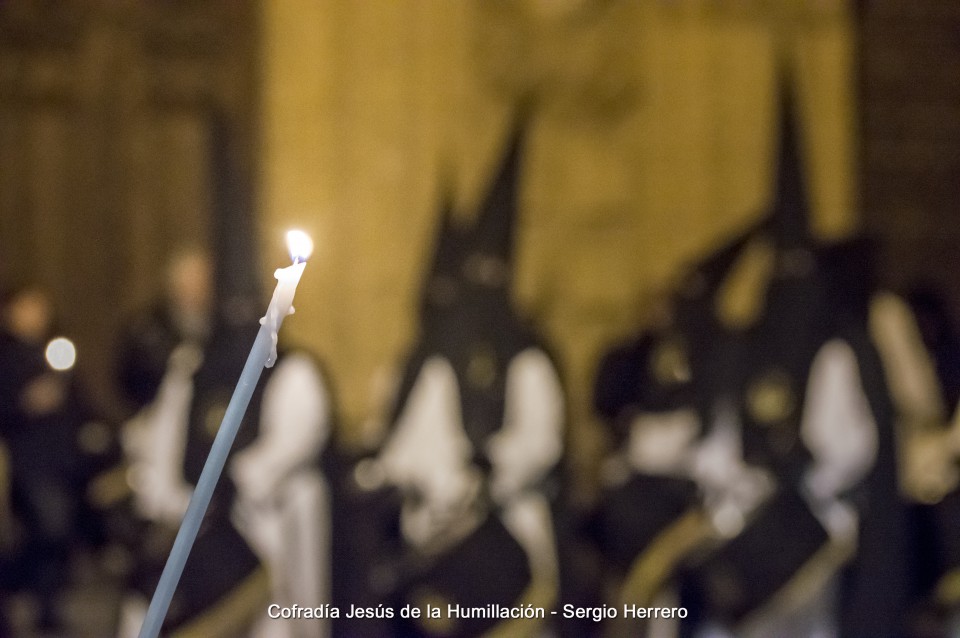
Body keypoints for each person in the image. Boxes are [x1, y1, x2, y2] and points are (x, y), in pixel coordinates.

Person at [360, 114, 565, 637]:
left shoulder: (528, 361)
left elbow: (541, 440)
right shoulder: (427, 363)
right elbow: (404, 437)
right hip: (434, 536)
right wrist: (414, 478)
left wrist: (490, 470)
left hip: (509, 533)